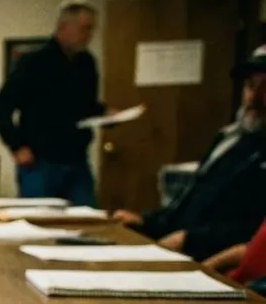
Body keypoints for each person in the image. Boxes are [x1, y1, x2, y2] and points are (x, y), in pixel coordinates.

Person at [112, 46, 266, 261]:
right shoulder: (229, 139)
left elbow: (255, 232)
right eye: (250, 86)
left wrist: (191, 239)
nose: (254, 98)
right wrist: (147, 222)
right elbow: (193, 202)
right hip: (183, 254)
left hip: (220, 264)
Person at [0, 0, 109, 206]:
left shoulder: (86, 63)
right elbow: (1, 106)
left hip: (76, 158)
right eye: (85, 29)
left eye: (92, 30)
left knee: (88, 220)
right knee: (40, 221)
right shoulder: (34, 62)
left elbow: (84, 107)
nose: (89, 36)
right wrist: (16, 146)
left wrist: (106, 113)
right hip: (40, 160)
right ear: (64, 27)